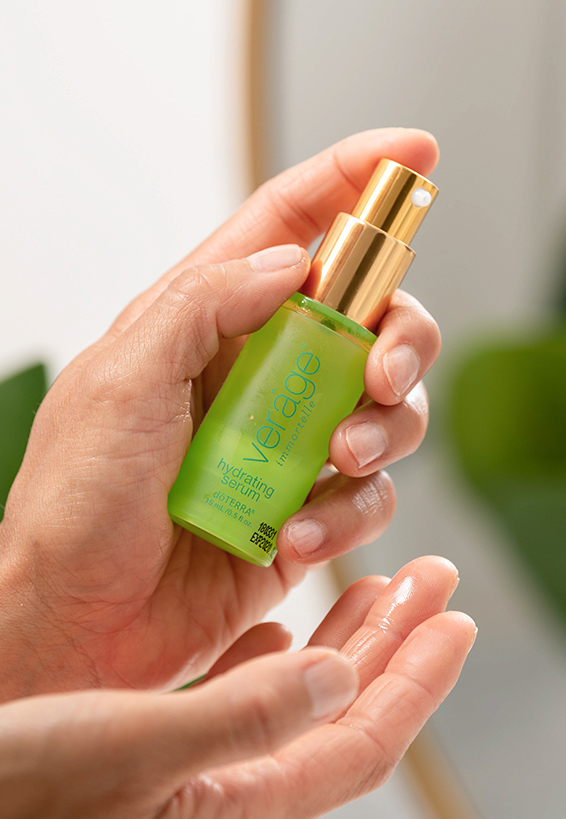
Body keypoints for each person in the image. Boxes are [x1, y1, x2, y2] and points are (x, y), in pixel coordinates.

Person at [0, 128, 476, 818]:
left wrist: (42, 627)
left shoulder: (344, 336)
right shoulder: (294, 311)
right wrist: (43, 607)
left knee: (353, 430)